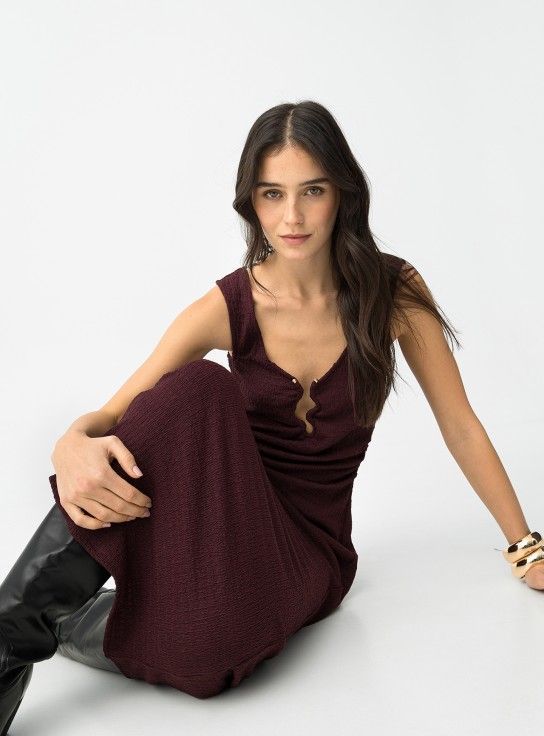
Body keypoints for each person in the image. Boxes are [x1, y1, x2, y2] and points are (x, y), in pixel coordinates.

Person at [1, 100, 543, 731]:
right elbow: (119, 417)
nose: (292, 217)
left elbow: (461, 426)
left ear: (342, 194)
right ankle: (12, 637)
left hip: (310, 552)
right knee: (192, 389)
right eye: (272, 194)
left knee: (207, 662)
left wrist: (524, 546)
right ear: (251, 204)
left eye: (312, 190)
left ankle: (77, 618)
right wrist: (70, 441)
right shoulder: (229, 304)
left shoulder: (392, 293)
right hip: (221, 523)